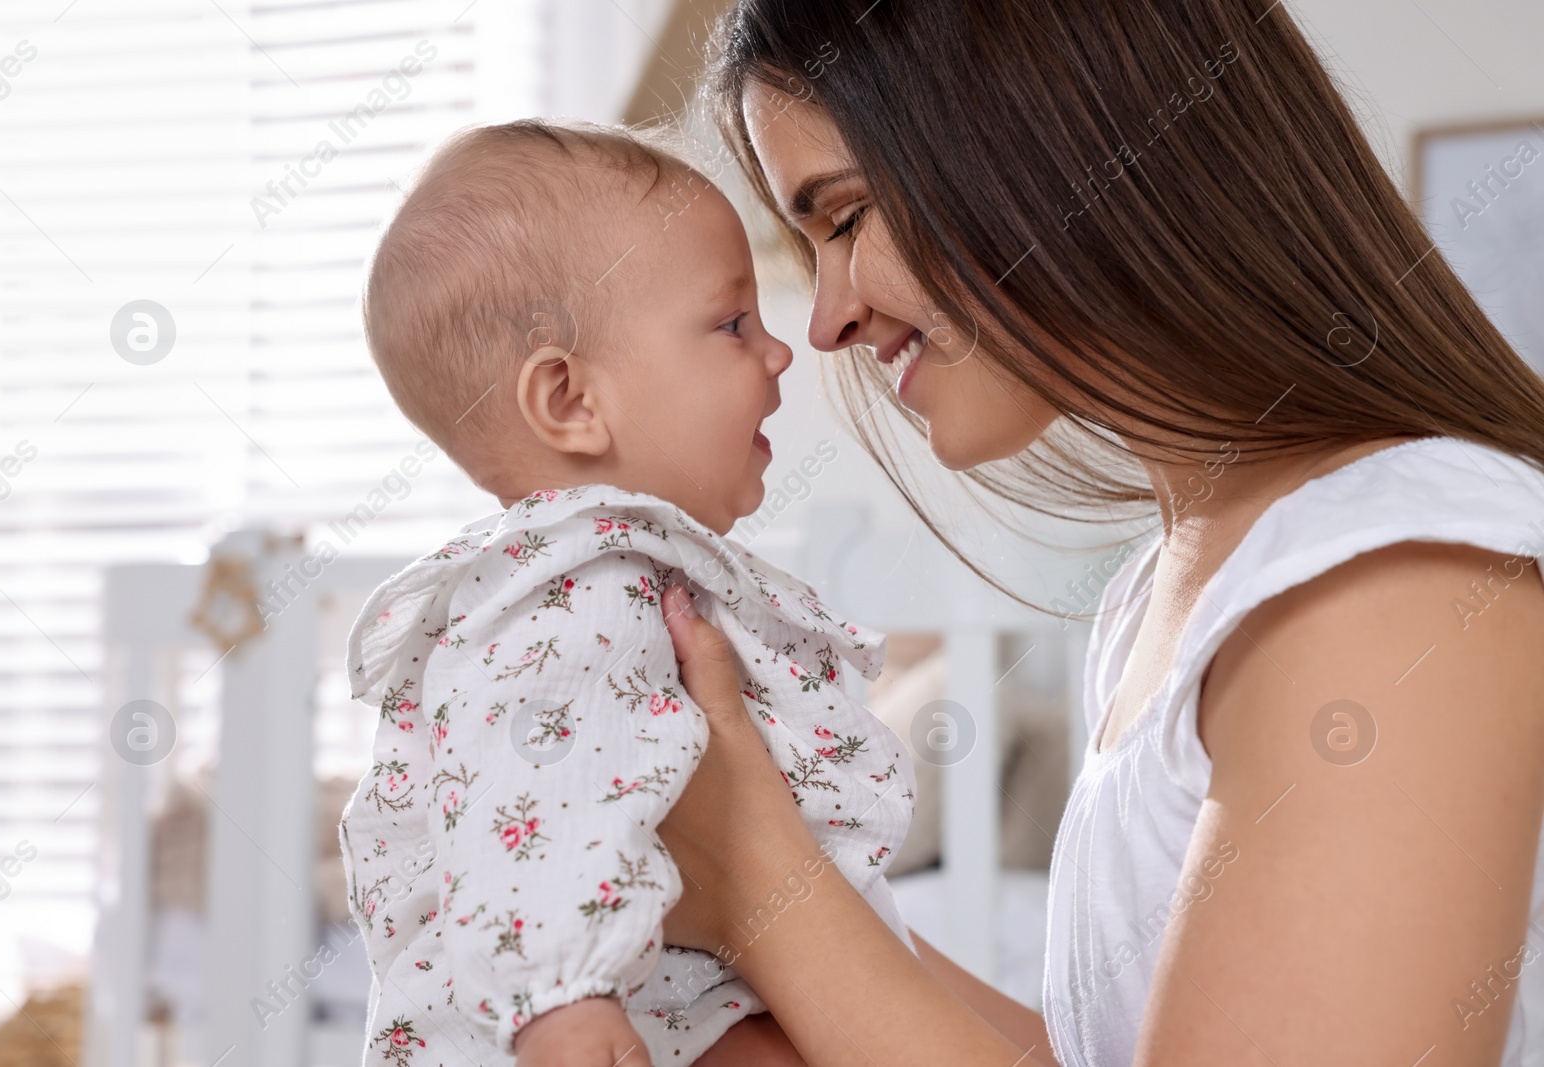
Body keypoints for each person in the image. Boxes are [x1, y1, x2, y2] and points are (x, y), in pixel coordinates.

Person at [654, 2, 1544, 1065]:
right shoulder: (1166, 590)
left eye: (843, 220)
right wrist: (763, 887)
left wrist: (763, 887)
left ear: (1041, 142)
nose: (827, 318)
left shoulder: (1389, 576)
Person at [340, 119, 917, 1067]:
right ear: (570, 400)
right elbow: (527, 780)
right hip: (600, 1010)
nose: (778, 353)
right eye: (732, 323)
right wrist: (558, 999)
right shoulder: (574, 583)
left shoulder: (619, 570)